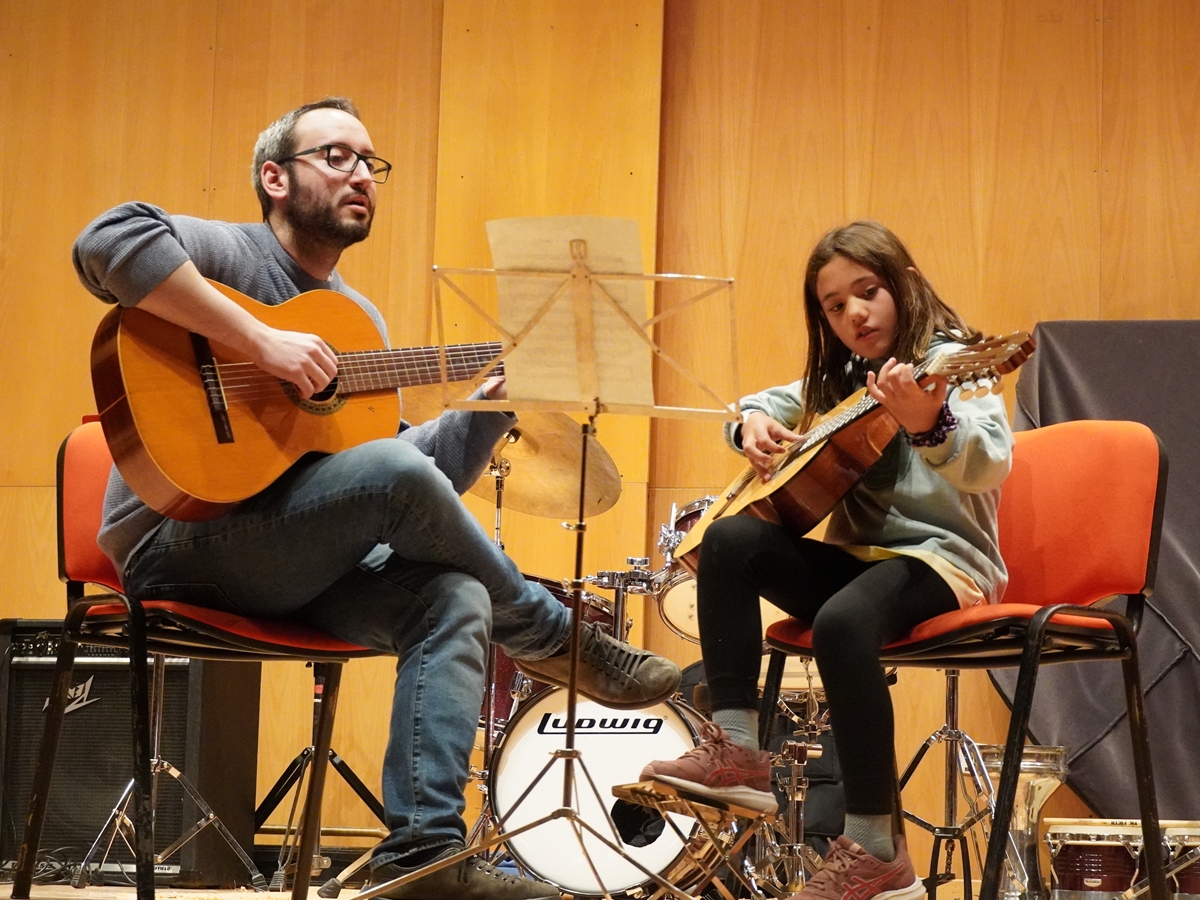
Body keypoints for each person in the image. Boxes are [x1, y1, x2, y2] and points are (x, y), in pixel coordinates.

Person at [73, 97, 681, 900]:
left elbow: (400, 474)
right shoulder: (230, 254)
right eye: (336, 156)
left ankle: (425, 860)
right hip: (179, 542)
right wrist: (261, 342)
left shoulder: (355, 320)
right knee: (404, 494)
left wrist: (486, 407)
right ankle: (552, 636)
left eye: (370, 162)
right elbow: (106, 240)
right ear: (275, 178)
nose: (361, 174)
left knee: (455, 591)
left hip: (298, 560)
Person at [640, 221, 1013, 900]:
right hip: (861, 564)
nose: (854, 314)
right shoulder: (840, 380)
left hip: (946, 564)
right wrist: (747, 427)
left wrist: (931, 423)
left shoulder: (951, 362)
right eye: (834, 307)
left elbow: (990, 463)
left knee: (842, 624)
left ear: (900, 284)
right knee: (726, 539)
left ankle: (876, 847)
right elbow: (761, 406)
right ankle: (738, 747)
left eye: (866, 292)